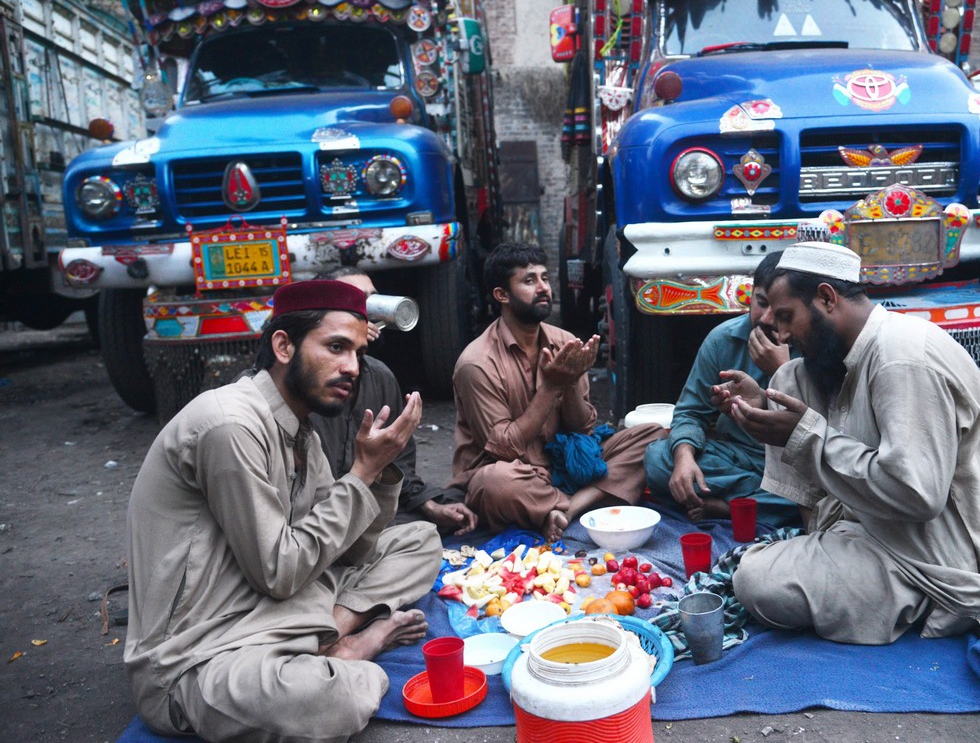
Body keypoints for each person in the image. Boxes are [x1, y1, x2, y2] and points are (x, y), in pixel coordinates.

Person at [124, 279, 442, 743]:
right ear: (283, 346)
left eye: (356, 351)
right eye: (335, 347)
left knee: (419, 540)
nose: (351, 367)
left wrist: (379, 472)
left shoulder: (301, 433)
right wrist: (359, 475)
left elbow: (346, 551)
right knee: (344, 695)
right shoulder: (230, 425)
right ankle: (348, 647)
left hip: (274, 602)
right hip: (201, 650)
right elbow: (279, 571)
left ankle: (336, 628)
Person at [721, 241, 980, 645]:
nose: (779, 333)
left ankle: (918, 599)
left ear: (827, 299)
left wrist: (803, 437)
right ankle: (827, 545)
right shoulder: (853, 349)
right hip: (883, 528)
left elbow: (918, 494)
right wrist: (760, 408)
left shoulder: (902, 358)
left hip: (945, 556)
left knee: (756, 580)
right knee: (789, 380)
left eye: (786, 316)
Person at [450, 242, 666, 542]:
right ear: (502, 295)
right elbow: (505, 448)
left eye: (544, 278)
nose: (543, 288)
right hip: (518, 474)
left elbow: (582, 428)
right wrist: (550, 386)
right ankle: (578, 502)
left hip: (566, 466)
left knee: (652, 434)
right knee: (495, 483)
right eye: (529, 281)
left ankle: (567, 508)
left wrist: (572, 380)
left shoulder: (563, 341)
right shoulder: (477, 363)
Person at [311, 265, 477, 536]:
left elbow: (400, 465)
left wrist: (429, 506)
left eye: (371, 299)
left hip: (373, 501)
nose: (366, 311)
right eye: (354, 301)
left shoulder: (380, 377)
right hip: (318, 513)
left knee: (458, 508)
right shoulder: (307, 378)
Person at [644, 251, 801, 526]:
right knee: (657, 459)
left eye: (780, 312)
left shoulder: (810, 345)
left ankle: (729, 508)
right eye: (761, 302)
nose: (765, 318)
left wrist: (781, 371)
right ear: (749, 295)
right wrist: (684, 459)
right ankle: (750, 505)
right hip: (736, 459)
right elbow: (690, 413)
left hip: (793, 465)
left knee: (814, 495)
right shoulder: (723, 339)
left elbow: (822, 428)